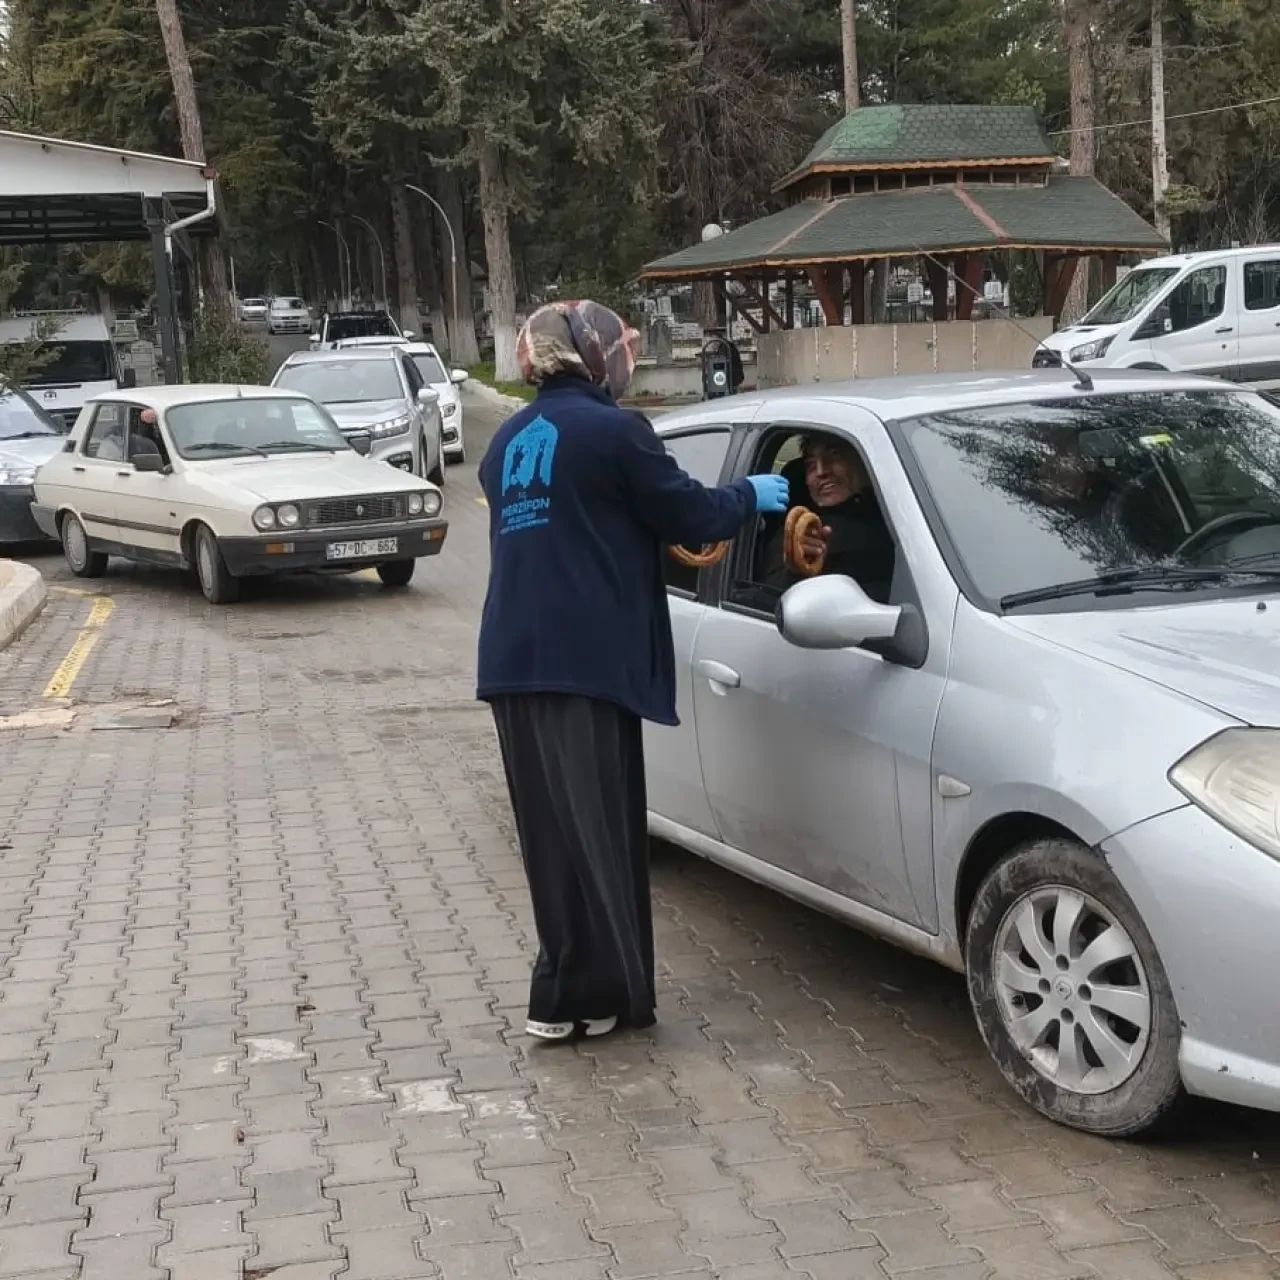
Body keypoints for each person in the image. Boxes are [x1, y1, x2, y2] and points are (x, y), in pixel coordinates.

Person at [476, 300, 788, 1042]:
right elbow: (690, 515)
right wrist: (750, 495)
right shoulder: (617, 432)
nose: (624, 359)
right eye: (618, 347)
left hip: (514, 663)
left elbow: (576, 527)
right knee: (601, 831)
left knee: (552, 835)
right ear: (590, 355)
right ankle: (593, 996)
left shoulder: (507, 440)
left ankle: (561, 990)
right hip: (585, 662)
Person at [763, 435, 896, 601]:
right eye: (811, 465)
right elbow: (771, 598)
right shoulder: (796, 536)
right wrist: (797, 571)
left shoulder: (901, 517)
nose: (821, 471)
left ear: (864, 460)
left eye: (833, 454)